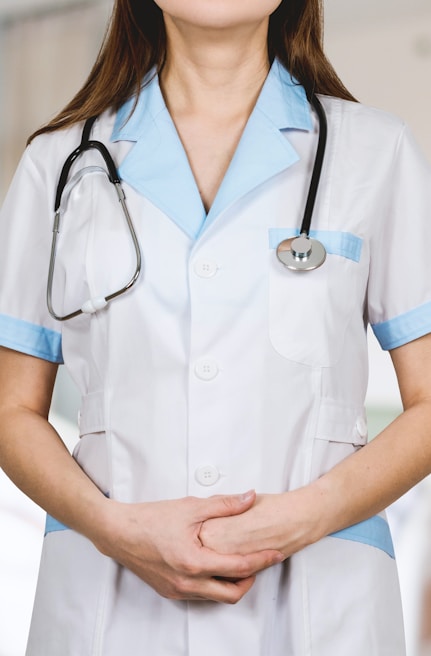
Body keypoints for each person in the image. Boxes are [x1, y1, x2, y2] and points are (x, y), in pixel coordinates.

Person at [0, 1, 430, 654]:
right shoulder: (58, 165)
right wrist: (115, 530)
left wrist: (300, 520)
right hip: (109, 606)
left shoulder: (374, 151)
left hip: (317, 606)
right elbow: (10, 409)